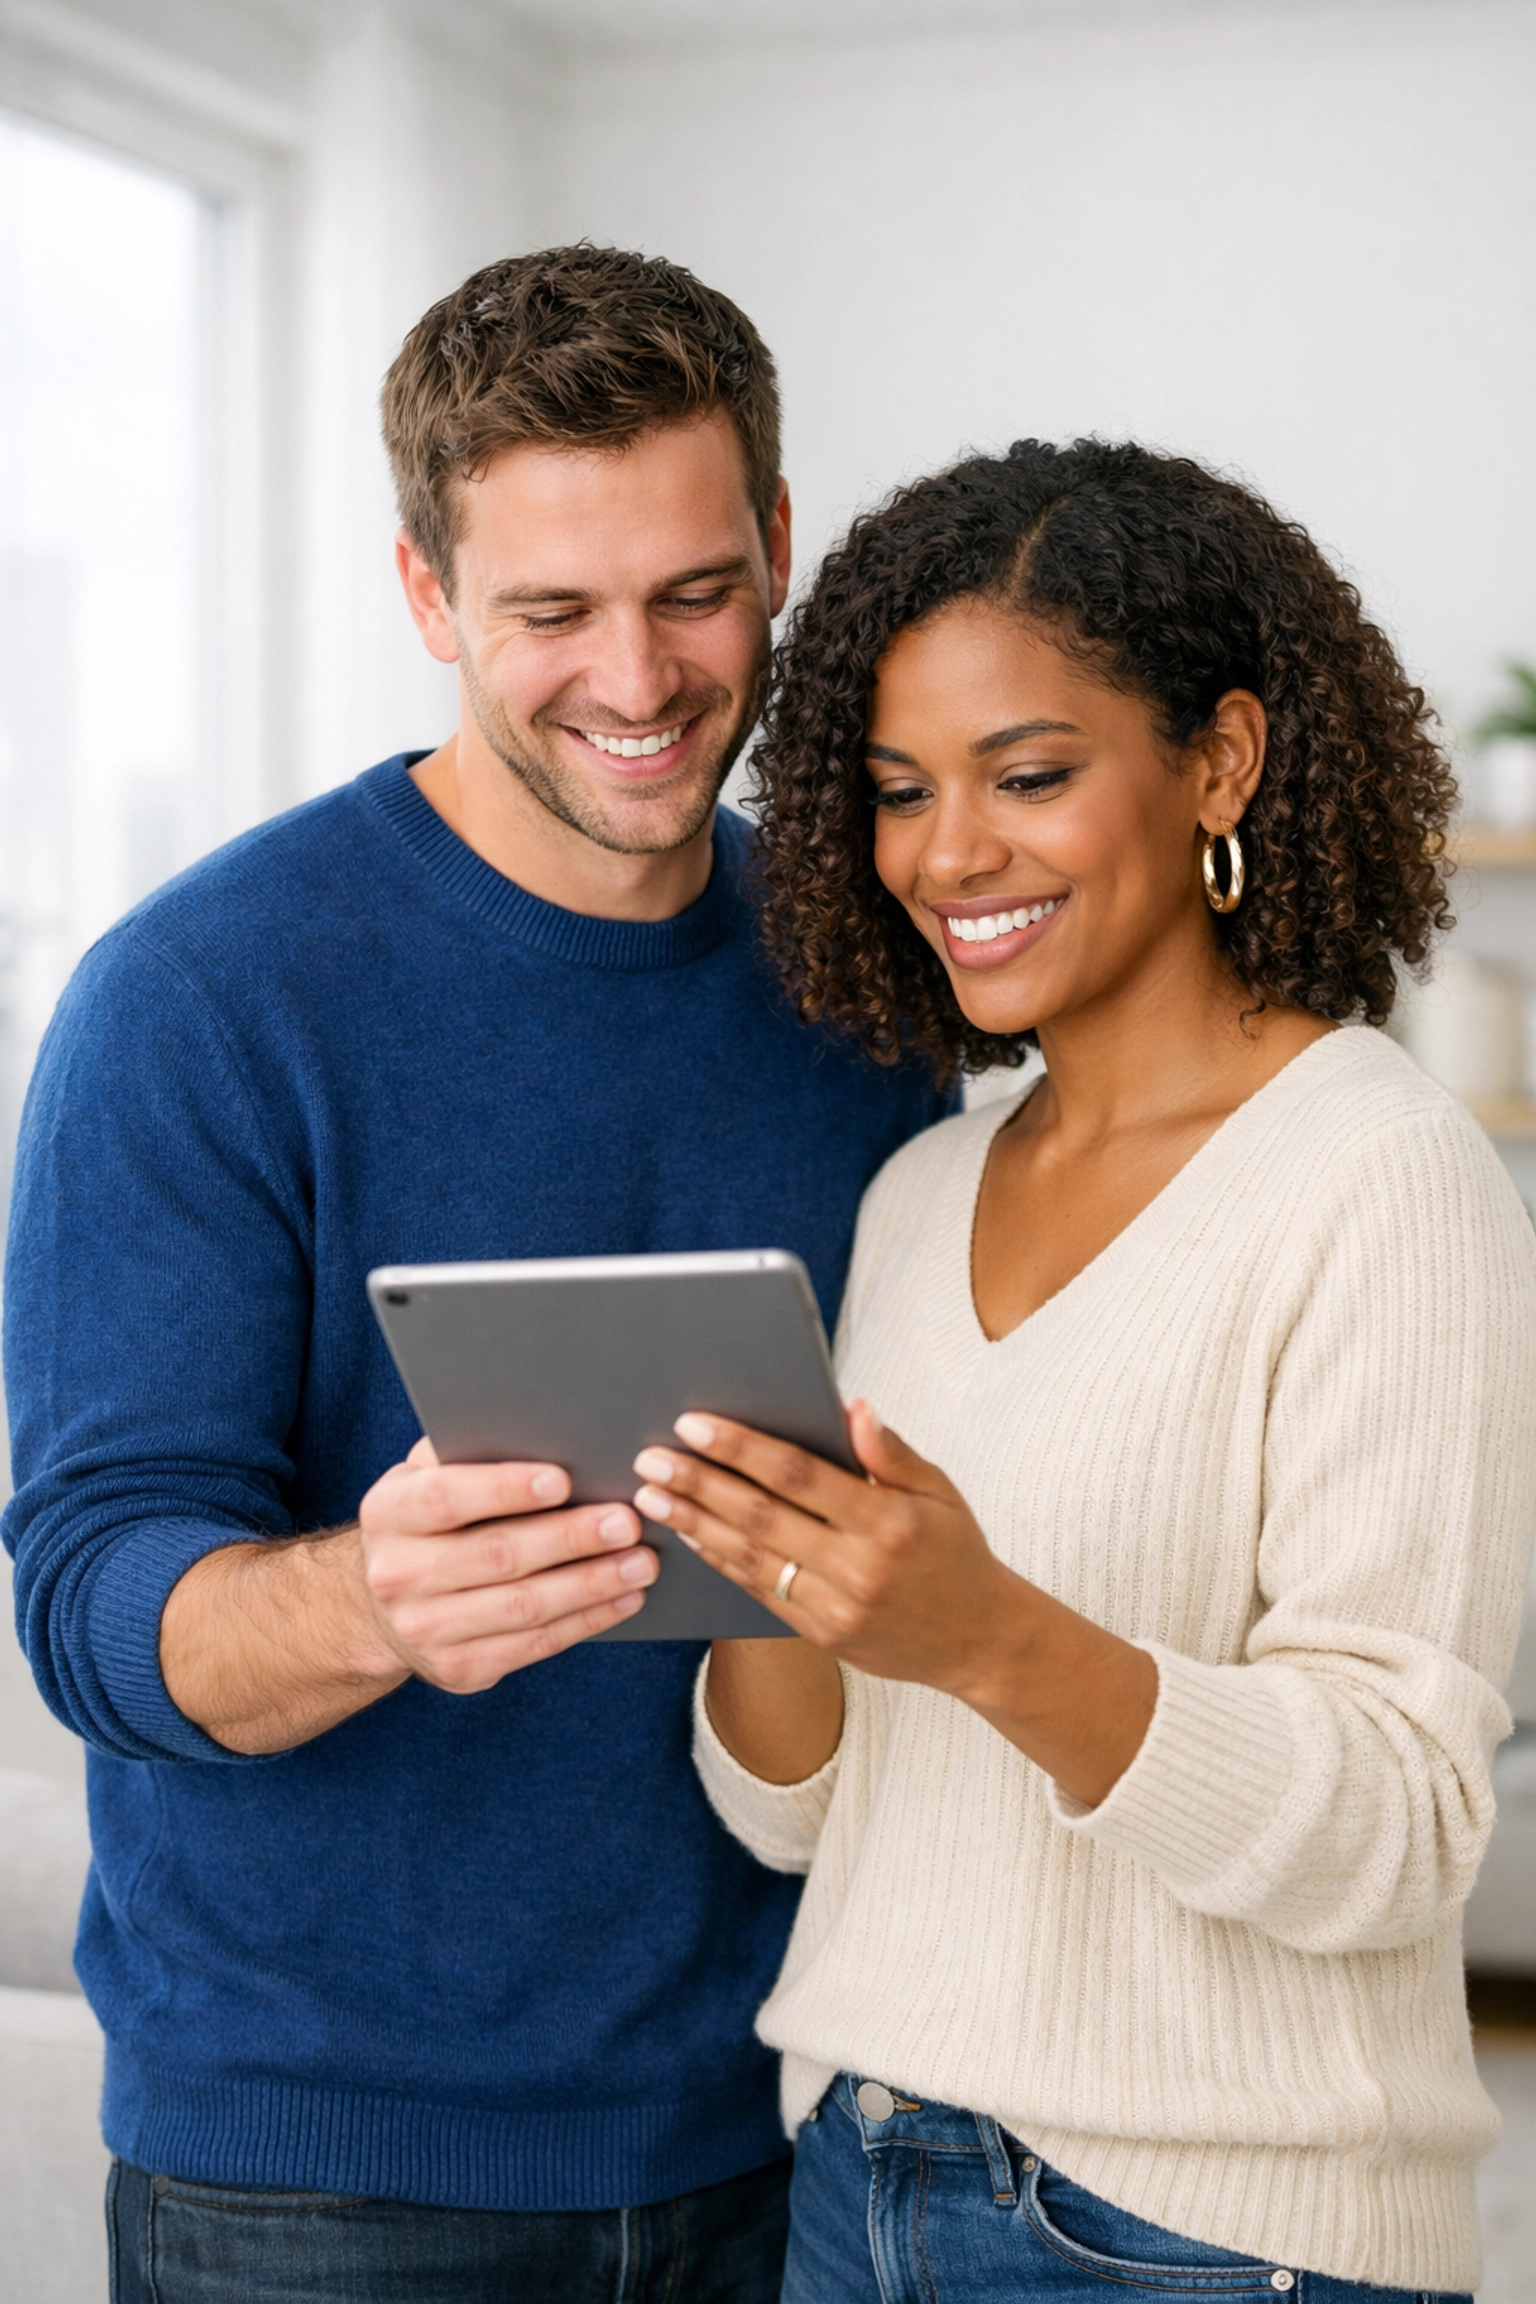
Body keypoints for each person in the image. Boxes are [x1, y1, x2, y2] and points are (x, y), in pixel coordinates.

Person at [1, 246, 948, 2303]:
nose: (638, 676)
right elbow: (85, 1607)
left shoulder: (865, 976)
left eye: (695, 591)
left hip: (795, 2121)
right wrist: (368, 1595)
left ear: (778, 548)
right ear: (429, 599)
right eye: (550, 612)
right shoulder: (201, 1001)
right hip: (319, 2187)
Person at [629, 439, 1536, 2302]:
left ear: (1220, 761)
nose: (949, 854)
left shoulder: (1381, 1172)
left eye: (1028, 776)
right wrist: (766, 1572)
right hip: (851, 2174)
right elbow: (796, 1810)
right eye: (897, 793)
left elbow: (1402, 1828)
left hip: (1205, 2238)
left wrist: (983, 1632)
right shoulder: (915, 1188)